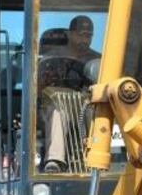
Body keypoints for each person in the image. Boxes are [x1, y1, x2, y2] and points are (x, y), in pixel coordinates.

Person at [42, 15, 101, 172]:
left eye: (88, 36)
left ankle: (98, 158)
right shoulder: (51, 57)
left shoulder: (98, 59)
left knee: (98, 111)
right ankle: (55, 159)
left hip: (86, 105)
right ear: (70, 34)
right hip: (56, 106)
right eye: (81, 34)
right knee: (58, 111)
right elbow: (38, 85)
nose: (85, 39)